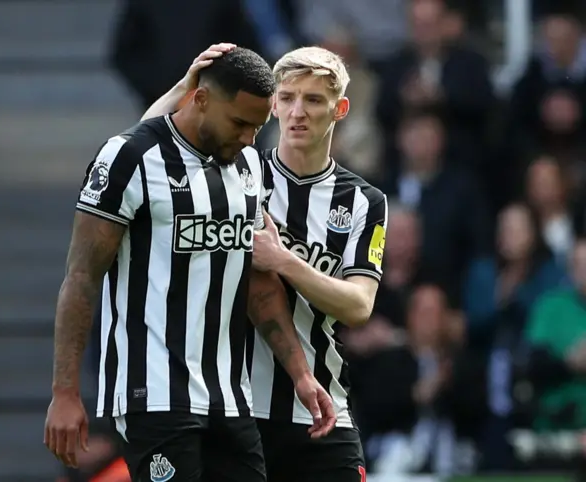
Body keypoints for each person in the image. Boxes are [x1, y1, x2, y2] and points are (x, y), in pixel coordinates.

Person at [44, 45, 336, 482]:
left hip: (229, 397)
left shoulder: (249, 167)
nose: (248, 138)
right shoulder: (130, 158)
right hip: (153, 394)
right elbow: (82, 278)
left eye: (258, 126)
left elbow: (257, 284)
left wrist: (301, 373)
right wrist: (65, 392)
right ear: (200, 99)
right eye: (239, 123)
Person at [145, 44, 387, 482]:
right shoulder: (238, 166)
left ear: (340, 109)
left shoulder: (364, 201)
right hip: (232, 406)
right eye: (288, 97)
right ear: (272, 104)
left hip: (321, 404)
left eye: (313, 100)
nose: (298, 111)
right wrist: (185, 86)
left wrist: (284, 261)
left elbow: (358, 306)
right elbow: (143, 156)